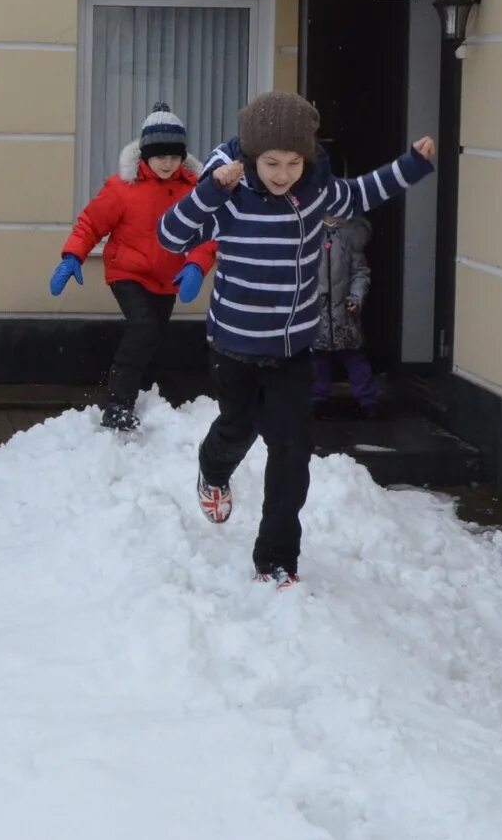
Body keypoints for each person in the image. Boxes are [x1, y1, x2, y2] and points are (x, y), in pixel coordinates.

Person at [158, 92, 434, 588]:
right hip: (233, 346)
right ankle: (213, 468)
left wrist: (413, 165)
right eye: (270, 163)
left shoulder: (318, 193)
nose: (282, 173)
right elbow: (170, 236)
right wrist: (209, 194)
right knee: (236, 429)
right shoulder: (229, 195)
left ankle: (277, 558)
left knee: (291, 451)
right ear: (251, 158)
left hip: (292, 351)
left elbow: (365, 192)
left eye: (292, 162)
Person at [51, 103, 220, 431]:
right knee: (143, 328)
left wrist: (197, 266)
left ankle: (144, 396)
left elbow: (208, 235)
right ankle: (117, 403)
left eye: (173, 156)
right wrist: (73, 256)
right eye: (160, 156)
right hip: (127, 272)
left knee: (152, 337)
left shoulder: (195, 191)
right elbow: (90, 223)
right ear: (145, 156)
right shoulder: (122, 188)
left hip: (168, 279)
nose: (167, 163)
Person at [311, 214, 379, 419]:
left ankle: (368, 402)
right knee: (317, 361)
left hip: (344, 313)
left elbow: (360, 272)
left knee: (355, 360)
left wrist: (356, 297)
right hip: (317, 313)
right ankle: (316, 400)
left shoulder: (348, 239)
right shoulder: (310, 236)